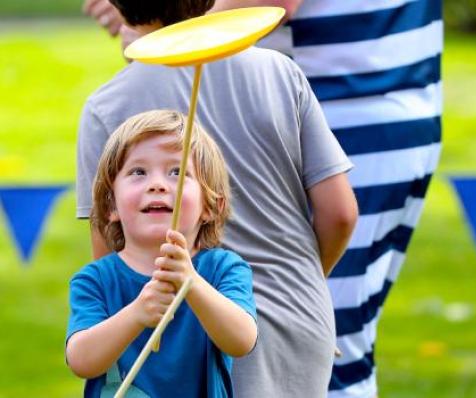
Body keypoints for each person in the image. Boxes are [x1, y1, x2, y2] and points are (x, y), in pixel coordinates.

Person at [77, 1, 358, 397]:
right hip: (299, 317)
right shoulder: (280, 71)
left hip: (184, 338)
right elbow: (340, 214)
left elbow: (110, 254)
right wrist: (302, 280)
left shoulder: (106, 106)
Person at [207, 1, 443, 397]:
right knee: (336, 344)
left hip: (345, 116)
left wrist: (161, 30)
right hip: (383, 107)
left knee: (318, 350)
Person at [67, 109, 258, 397]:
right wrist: (137, 313)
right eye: (138, 172)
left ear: (211, 206)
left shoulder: (224, 269)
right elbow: (81, 361)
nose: (157, 184)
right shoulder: (95, 280)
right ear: (111, 206)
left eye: (177, 172)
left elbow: (241, 340)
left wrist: (191, 284)